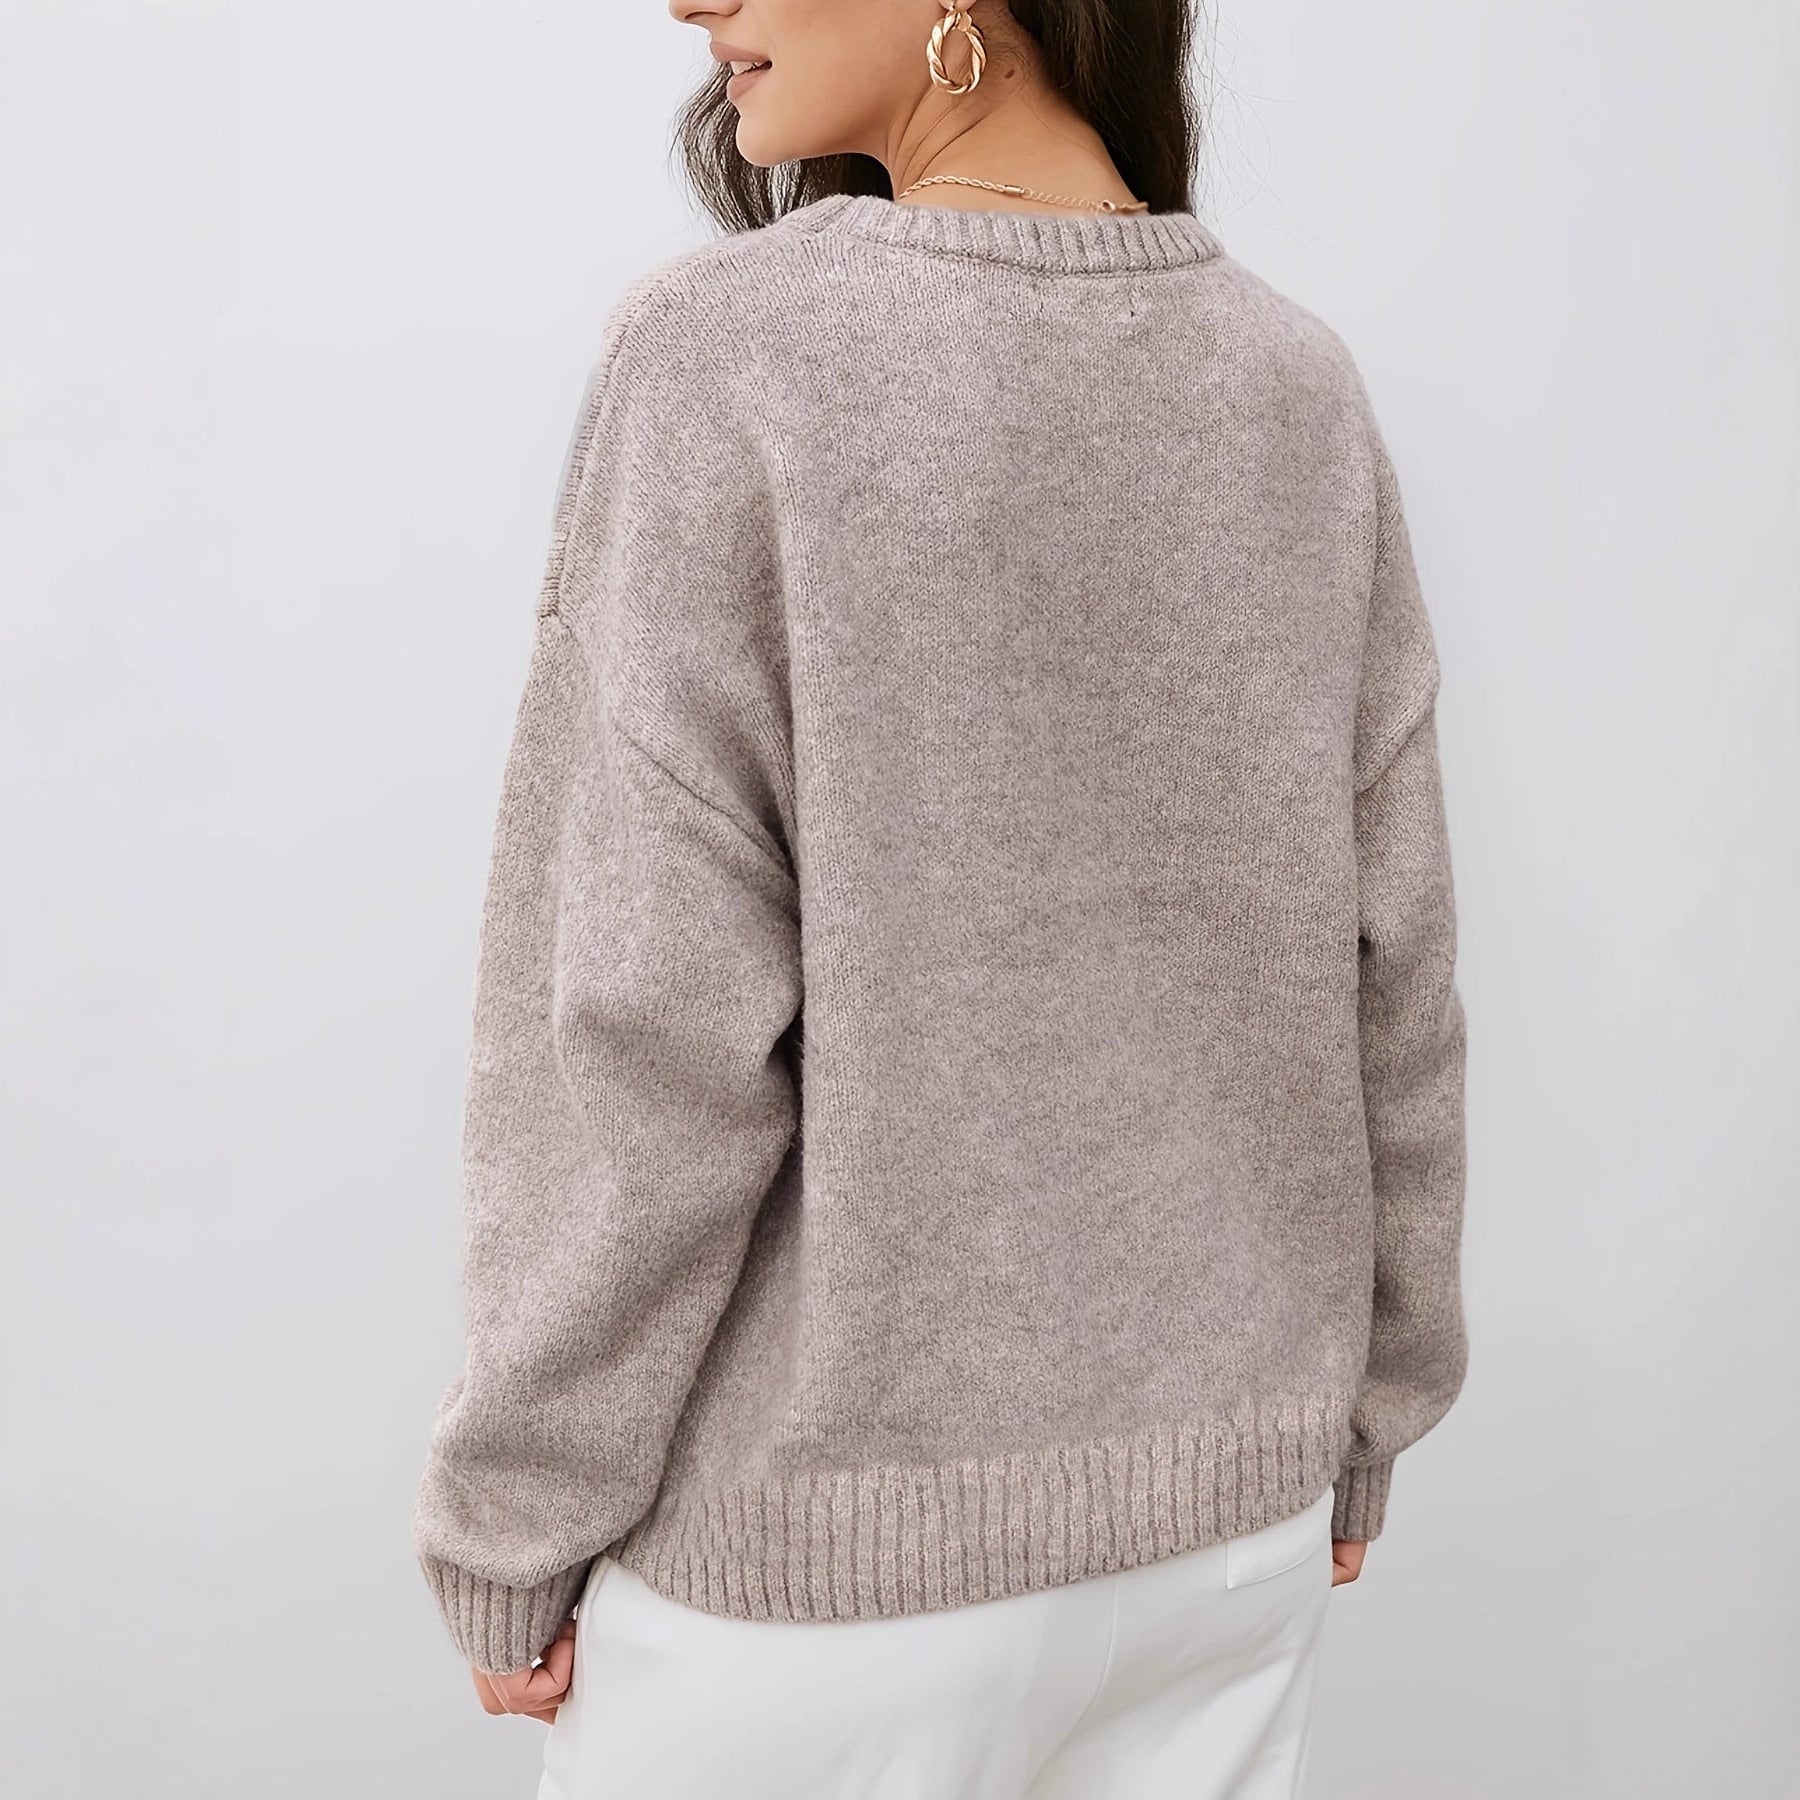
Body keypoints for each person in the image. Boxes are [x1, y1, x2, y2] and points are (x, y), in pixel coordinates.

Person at [410, 0, 1470, 1793]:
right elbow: (1398, 976)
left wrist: (516, 1511)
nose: (689, 2)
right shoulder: (1293, 380)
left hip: (831, 1589)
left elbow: (644, 1035)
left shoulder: (732, 354)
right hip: (1229, 1549)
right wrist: (1367, 1414)